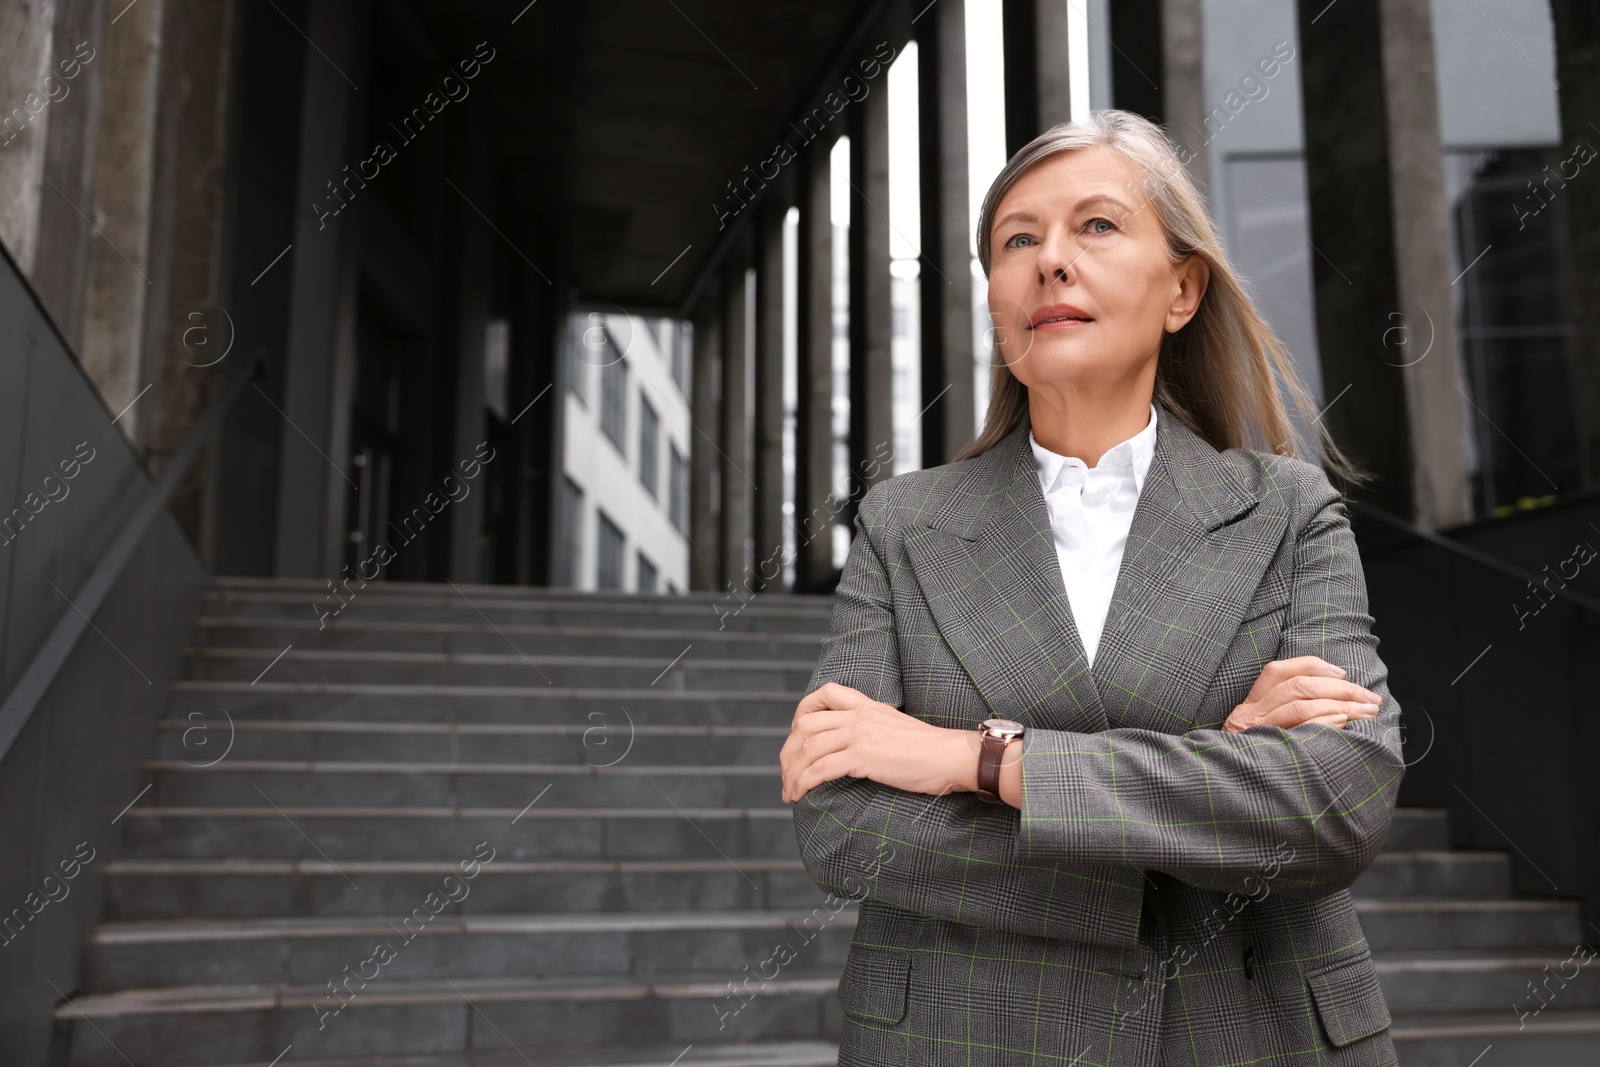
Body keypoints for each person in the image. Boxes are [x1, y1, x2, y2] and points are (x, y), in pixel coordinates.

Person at [780, 109, 1404, 1066]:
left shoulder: (1285, 509)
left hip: (1245, 1031)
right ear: (993, 295)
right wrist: (1198, 805)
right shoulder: (904, 524)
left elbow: (1336, 801)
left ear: (1183, 289)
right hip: (963, 1033)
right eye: (1017, 239)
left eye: (1097, 226)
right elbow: (841, 821)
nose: (1050, 261)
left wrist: (977, 762)